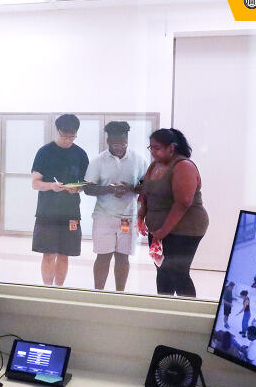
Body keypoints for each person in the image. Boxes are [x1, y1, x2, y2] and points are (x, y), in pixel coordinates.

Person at [138, 128, 209, 297]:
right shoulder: (155, 165)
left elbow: (183, 202)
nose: (153, 152)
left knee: (178, 273)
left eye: (157, 148)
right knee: (162, 270)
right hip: (158, 230)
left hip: (185, 229)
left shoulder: (183, 166)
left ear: (171, 148)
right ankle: (164, 310)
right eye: (151, 148)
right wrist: (141, 215)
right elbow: (145, 191)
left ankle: (188, 316)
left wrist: (162, 232)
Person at [83, 121, 149, 291]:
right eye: (114, 144)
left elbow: (147, 185)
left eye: (122, 143)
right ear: (108, 141)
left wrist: (131, 188)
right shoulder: (98, 161)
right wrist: (109, 189)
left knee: (123, 257)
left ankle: (120, 293)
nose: (119, 147)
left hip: (127, 218)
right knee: (103, 257)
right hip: (104, 217)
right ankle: (99, 292)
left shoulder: (139, 160)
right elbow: (88, 189)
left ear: (127, 139)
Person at [31, 114, 89, 286]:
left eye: (72, 137)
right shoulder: (45, 152)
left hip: (70, 211)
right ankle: (47, 289)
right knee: (48, 253)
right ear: (57, 131)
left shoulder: (80, 154)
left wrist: (77, 188)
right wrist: (52, 186)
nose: (68, 140)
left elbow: (85, 183)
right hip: (47, 212)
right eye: (65, 136)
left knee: (65, 254)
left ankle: (59, 289)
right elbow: (35, 183)